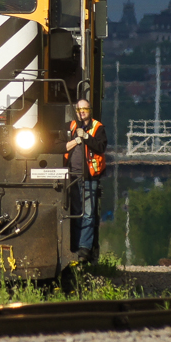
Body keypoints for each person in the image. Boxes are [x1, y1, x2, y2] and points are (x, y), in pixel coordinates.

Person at [65, 99, 106, 262]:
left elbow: (101, 147)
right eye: (79, 109)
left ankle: (84, 248)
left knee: (88, 213)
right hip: (72, 176)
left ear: (90, 110)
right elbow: (60, 144)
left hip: (89, 177)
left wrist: (86, 137)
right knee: (75, 212)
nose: (82, 112)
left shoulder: (98, 128)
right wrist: (75, 140)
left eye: (85, 109)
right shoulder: (71, 126)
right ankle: (75, 245)